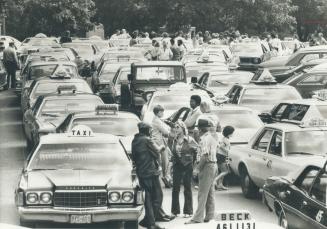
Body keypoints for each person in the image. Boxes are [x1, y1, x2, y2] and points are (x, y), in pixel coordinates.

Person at [131, 122, 174, 229]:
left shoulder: (134, 140)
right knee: (158, 197)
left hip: (142, 172)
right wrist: (163, 146)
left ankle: (151, 220)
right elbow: (157, 151)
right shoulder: (147, 140)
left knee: (148, 198)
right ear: (146, 131)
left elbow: (135, 156)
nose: (150, 132)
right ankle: (150, 222)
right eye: (150, 130)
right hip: (151, 172)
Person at [185, 119, 218, 224]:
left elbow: (205, 155)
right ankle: (209, 215)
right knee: (210, 193)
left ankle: (198, 218)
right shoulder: (211, 137)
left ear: (200, 128)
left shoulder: (204, 139)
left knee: (202, 193)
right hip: (213, 165)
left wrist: (197, 168)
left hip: (207, 166)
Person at [170, 120, 198, 218]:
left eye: (178, 127)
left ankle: (188, 211)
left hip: (187, 166)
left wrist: (195, 166)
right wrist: (170, 166)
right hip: (177, 165)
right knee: (175, 188)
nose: (175, 129)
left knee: (187, 188)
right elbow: (172, 155)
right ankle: (174, 211)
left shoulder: (190, 140)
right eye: (175, 127)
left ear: (183, 128)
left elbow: (198, 151)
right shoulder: (174, 140)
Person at [151, 105, 174, 187]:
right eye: (161, 112)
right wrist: (169, 130)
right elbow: (165, 131)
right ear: (158, 112)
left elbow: (166, 128)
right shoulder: (156, 121)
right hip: (159, 142)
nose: (163, 113)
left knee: (169, 157)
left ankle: (166, 176)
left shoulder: (158, 120)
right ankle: (166, 177)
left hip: (161, 141)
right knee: (165, 160)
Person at [214, 126, 235, 191]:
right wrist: (228, 151)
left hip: (221, 156)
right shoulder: (225, 140)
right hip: (221, 156)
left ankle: (220, 185)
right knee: (225, 171)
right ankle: (215, 180)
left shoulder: (225, 138)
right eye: (232, 132)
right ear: (229, 133)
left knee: (222, 170)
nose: (233, 134)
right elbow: (220, 146)